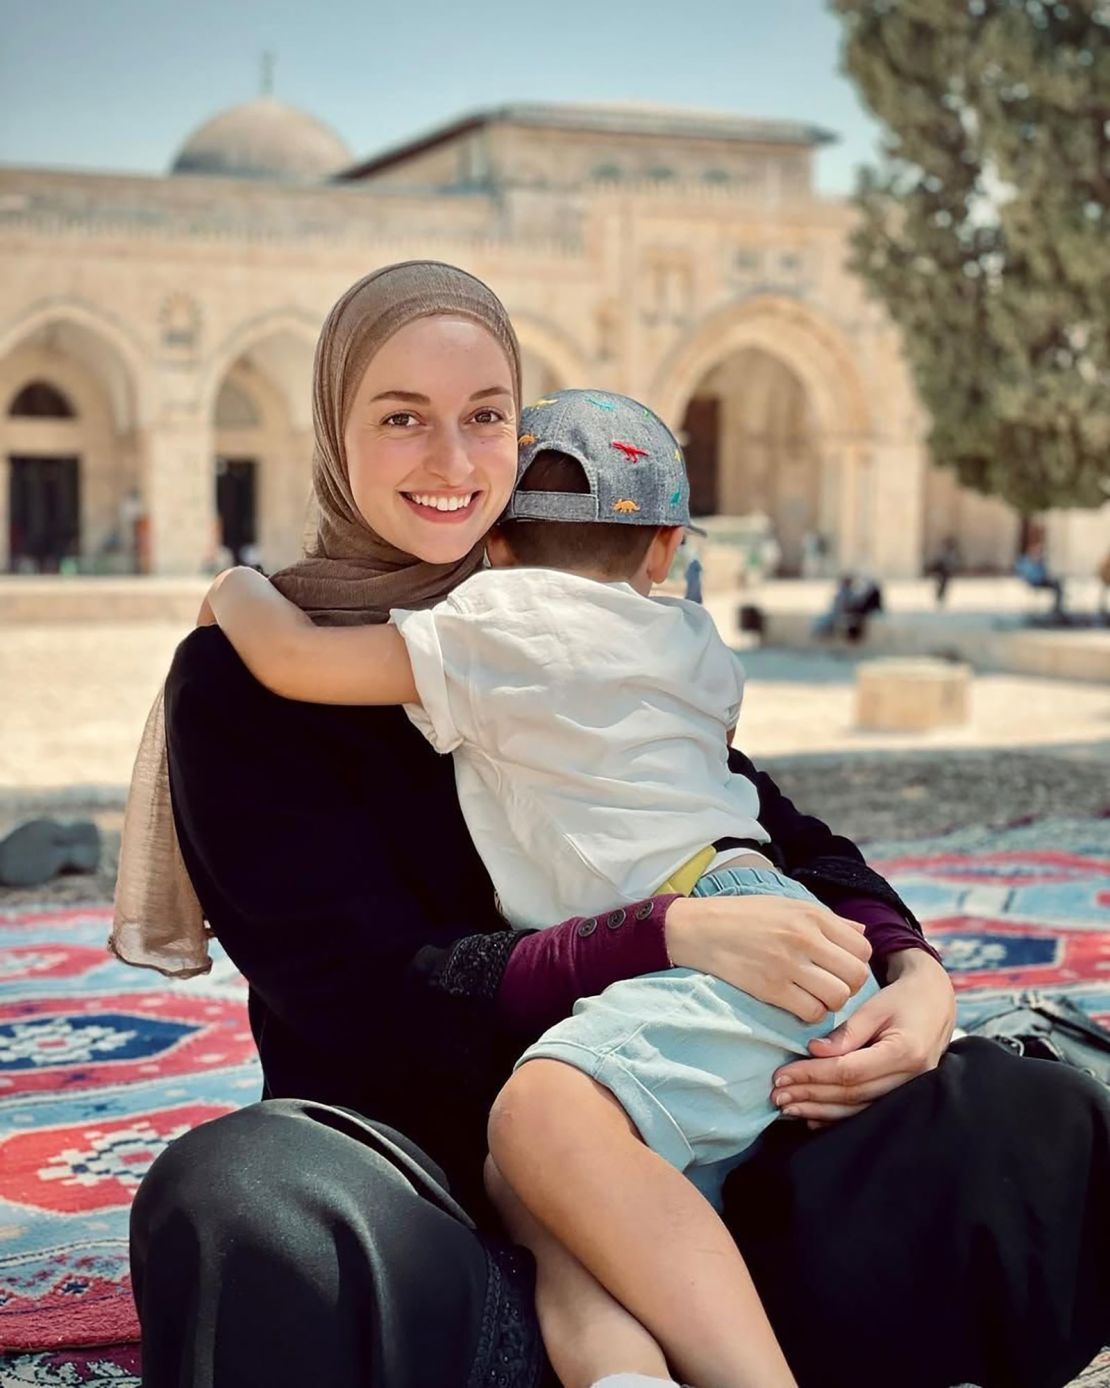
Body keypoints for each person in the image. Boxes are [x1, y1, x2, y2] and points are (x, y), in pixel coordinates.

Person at [117, 263, 1110, 1388]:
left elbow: (775, 828)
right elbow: (357, 997)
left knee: (1024, 1109)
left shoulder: (572, 630)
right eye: (402, 418)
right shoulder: (252, 682)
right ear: (335, 429)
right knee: (240, 1201)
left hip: (684, 1139)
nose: (452, 462)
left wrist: (912, 968)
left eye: (486, 417)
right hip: (440, 1175)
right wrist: (661, 934)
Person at [200, 391, 883, 1388]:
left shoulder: (494, 623)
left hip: (724, 948)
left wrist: (234, 588)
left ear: (497, 550)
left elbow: (296, 659)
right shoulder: (687, 638)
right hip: (770, 915)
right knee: (529, 1190)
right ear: (664, 554)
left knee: (538, 1118)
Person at [1015, 537, 1065, 616]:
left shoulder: (1040, 561)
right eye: (1037, 551)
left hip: (1041, 581)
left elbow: (1044, 573)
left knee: (1058, 584)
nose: (1039, 553)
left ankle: (1057, 607)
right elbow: (1022, 573)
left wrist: (1040, 564)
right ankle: (1056, 608)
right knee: (1055, 584)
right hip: (1033, 582)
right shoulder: (1026, 561)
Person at [927, 535, 960, 606]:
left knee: (944, 585)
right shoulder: (943, 550)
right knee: (940, 584)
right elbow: (938, 559)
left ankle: (941, 597)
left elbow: (953, 562)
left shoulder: (952, 552)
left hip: (946, 571)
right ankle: (939, 597)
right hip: (942, 570)